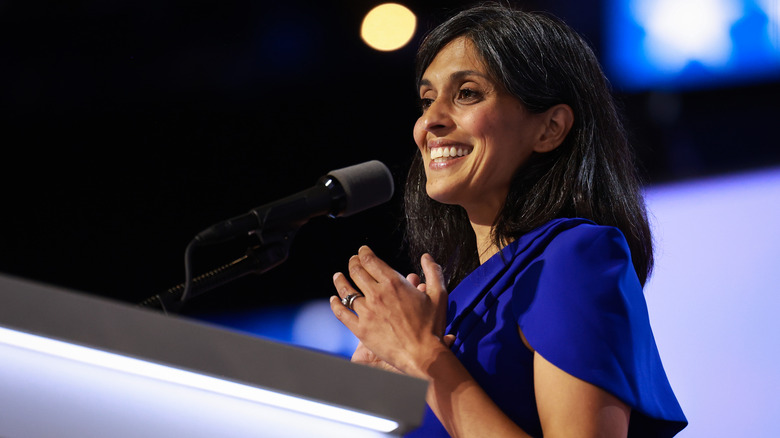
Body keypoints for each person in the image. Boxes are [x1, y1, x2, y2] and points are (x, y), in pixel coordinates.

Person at [329, 3, 687, 437]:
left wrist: (422, 357)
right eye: (427, 99)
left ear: (550, 128)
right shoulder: (452, 305)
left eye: (467, 93)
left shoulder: (574, 256)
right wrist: (376, 391)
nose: (430, 121)